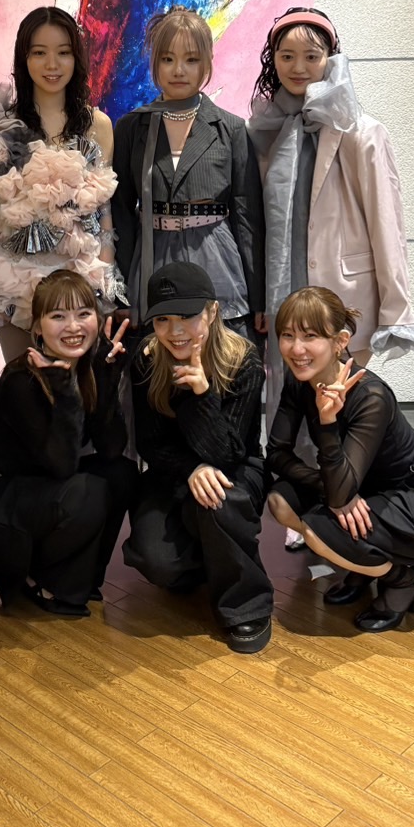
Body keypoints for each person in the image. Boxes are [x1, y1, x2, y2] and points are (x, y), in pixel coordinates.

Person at [247, 5, 414, 423]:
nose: (298, 67)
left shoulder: (362, 132)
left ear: (331, 58)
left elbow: (387, 226)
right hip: (285, 292)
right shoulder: (265, 131)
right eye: (287, 56)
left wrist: (396, 310)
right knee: (287, 401)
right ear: (273, 61)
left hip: (344, 294)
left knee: (339, 405)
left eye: (312, 56)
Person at [266, 287, 414, 632]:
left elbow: (341, 495)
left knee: (316, 532)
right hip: (364, 488)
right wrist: (328, 486)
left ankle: (403, 580)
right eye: (287, 335)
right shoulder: (300, 382)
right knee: (280, 501)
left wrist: (328, 422)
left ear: (340, 341)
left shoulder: (371, 396)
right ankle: (362, 567)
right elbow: (276, 454)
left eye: (310, 336)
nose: (296, 349)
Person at [123, 263, 274, 654]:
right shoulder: (146, 359)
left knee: (217, 498)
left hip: (234, 469)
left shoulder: (244, 360)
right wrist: (190, 468)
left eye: (187, 316)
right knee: (156, 561)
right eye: (163, 319)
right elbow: (149, 444)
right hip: (172, 471)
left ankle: (247, 604)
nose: (175, 331)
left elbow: (229, 452)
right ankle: (211, 559)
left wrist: (202, 394)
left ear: (212, 311)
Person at [0, 269, 138, 616]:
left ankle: (82, 580)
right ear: (37, 327)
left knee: (121, 473)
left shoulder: (88, 367)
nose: (73, 327)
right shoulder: (21, 378)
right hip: (3, 507)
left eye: (83, 313)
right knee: (88, 491)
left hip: (45, 489)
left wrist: (108, 379)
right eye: (58, 316)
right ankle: (42, 581)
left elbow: (111, 449)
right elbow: (61, 465)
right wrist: (63, 392)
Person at [112, 6, 264, 342]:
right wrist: (122, 293)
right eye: (168, 59)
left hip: (217, 262)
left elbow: (247, 218)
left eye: (191, 60)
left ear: (207, 61)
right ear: (154, 62)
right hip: (153, 261)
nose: (178, 70)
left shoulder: (231, 129)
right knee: (156, 360)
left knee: (225, 357)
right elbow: (120, 212)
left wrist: (259, 299)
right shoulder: (132, 127)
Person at [0, 7, 124, 361]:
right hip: (14, 278)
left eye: (63, 52)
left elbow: (104, 209)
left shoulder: (98, 125)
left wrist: (104, 275)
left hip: (79, 280)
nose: (52, 64)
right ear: (24, 57)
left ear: (76, 58)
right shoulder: (1, 125)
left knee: (77, 387)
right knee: (21, 380)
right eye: (39, 52)